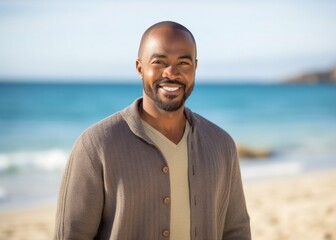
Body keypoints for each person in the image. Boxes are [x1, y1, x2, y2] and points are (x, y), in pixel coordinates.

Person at [54, 21, 251, 240]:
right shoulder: (95, 145)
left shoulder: (221, 144)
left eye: (183, 63)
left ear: (195, 67)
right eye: (159, 62)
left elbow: (236, 230)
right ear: (140, 68)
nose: (172, 73)